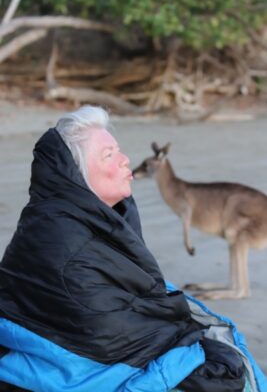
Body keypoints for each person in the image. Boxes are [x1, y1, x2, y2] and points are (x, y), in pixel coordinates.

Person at [0, 105, 266, 392]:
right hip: (80, 361)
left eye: (119, 150)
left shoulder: (95, 218)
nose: (126, 160)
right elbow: (106, 332)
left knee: (220, 343)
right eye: (109, 155)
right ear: (76, 175)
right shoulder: (63, 237)